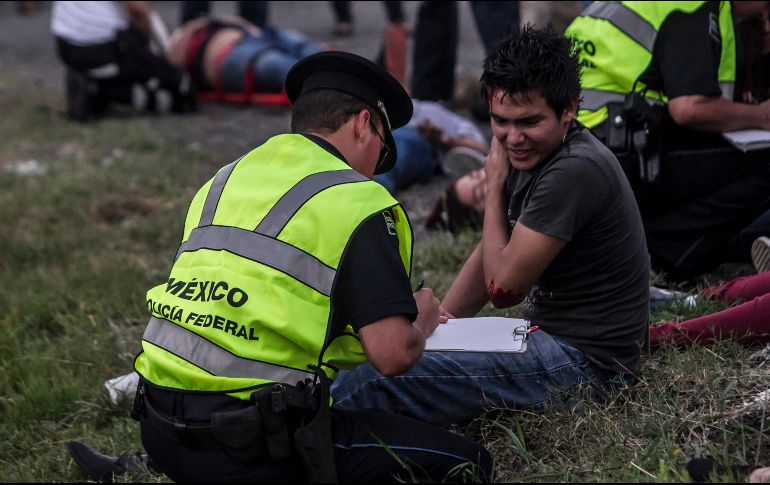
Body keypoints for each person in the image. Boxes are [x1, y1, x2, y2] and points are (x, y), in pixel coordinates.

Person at [70, 51, 492, 483]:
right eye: (383, 152)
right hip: (250, 449)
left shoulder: (225, 178)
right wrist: (419, 320)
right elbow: (392, 355)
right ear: (364, 124)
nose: (375, 170)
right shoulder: (360, 202)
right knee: (470, 465)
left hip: (158, 428)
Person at [331, 26, 650, 429]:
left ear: (568, 109)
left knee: (371, 381)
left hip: (590, 368)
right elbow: (491, 253)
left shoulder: (574, 169)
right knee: (382, 354)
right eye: (501, 121)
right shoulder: (535, 150)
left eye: (529, 122)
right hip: (547, 338)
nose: (513, 137)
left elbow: (503, 289)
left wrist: (495, 185)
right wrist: (440, 322)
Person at [564, 1, 770, 281]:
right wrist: (760, 116)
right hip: (614, 153)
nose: (763, 13)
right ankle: (662, 255)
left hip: (577, 144)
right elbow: (689, 108)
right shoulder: (691, 5)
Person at [51, 1, 195, 121]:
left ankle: (94, 86)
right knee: (179, 91)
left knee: (140, 69)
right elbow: (137, 10)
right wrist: (154, 55)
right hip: (104, 46)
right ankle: (97, 90)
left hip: (65, 42)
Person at [165, 14, 323, 96]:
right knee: (275, 65)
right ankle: (326, 83)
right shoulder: (175, 43)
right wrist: (192, 28)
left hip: (255, 39)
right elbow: (176, 69)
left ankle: (332, 66)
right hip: (230, 58)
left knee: (297, 40)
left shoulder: (206, 23)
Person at [373, 99, 488, 195]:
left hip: (423, 143)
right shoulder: (433, 107)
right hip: (394, 129)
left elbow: (481, 150)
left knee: (392, 156)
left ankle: (373, 194)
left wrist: (446, 139)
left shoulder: (464, 125)